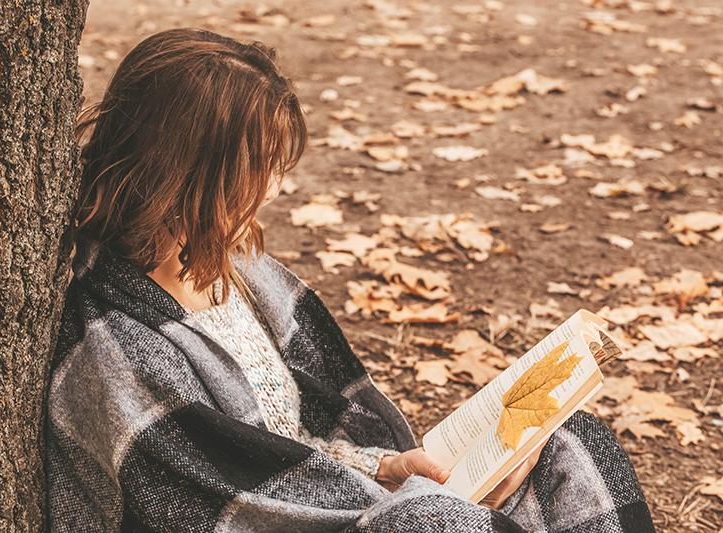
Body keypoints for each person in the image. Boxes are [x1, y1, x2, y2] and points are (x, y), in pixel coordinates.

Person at [44, 27, 655, 532]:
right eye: (256, 169)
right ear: (186, 173)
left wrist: (385, 466)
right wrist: (414, 504)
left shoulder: (237, 273)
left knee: (571, 444)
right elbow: (222, 503)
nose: (275, 189)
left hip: (333, 497)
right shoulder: (115, 346)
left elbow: (300, 441)